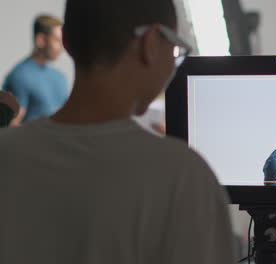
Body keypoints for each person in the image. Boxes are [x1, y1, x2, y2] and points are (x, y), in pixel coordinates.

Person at [0, 0, 236, 263]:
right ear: (150, 43)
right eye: (175, 49)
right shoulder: (182, 177)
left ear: (66, 41)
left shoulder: (6, 153)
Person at [2, 14, 68, 126]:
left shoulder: (60, 77)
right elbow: (9, 128)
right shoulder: (19, 77)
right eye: (57, 40)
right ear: (41, 40)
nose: (61, 47)